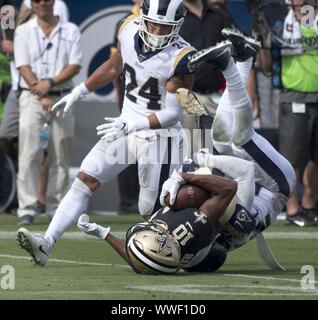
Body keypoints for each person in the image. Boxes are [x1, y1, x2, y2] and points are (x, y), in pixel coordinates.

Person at [76, 31, 296, 274]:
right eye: (162, 238)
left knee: (219, 141)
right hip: (274, 186)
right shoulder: (203, 229)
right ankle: (229, 67)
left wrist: (103, 233)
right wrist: (185, 174)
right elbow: (239, 176)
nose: (157, 231)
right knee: (233, 141)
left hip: (242, 184)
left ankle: (243, 57)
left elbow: (136, 258)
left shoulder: (166, 250)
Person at [17, 0, 197, 266]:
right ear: (143, 17)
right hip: (123, 125)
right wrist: (78, 92)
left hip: (161, 137)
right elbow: (113, 67)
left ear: (178, 25)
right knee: (84, 179)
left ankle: (180, 256)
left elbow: (173, 113)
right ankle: (47, 242)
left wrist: (132, 125)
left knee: (150, 210)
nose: (158, 31)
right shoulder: (127, 27)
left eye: (165, 27)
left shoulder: (183, 56)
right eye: (154, 24)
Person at [14, 0, 81, 225]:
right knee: (29, 153)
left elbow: (75, 65)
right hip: (32, 97)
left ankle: (56, 206)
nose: (42, 3)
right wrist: (41, 91)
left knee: (60, 153)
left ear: (54, 2)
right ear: (31, 4)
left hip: (62, 96)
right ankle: (27, 207)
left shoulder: (70, 30)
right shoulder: (23, 30)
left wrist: (50, 84)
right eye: (37, 0)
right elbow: (23, 66)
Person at [260, 0, 318, 226]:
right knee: (291, 159)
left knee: (316, 159)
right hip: (293, 96)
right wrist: (263, 42)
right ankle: (292, 210)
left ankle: (309, 204)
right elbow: (266, 67)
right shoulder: (279, 25)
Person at [179, 0, 231, 153]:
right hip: (188, 96)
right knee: (194, 157)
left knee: (220, 154)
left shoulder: (218, 15)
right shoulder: (176, 16)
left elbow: (232, 53)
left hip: (217, 96)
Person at [111, 0, 142, 215]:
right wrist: (118, 93)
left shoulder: (170, 17)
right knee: (128, 147)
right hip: (130, 92)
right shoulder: (125, 22)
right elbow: (115, 62)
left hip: (156, 95)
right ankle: (128, 201)